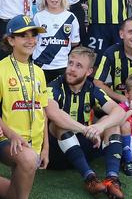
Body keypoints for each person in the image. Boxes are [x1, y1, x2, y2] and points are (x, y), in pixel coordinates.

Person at [44, 47, 126, 198]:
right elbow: (52, 113)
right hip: (57, 153)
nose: (71, 69)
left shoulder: (92, 88)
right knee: (58, 124)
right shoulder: (55, 86)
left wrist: (99, 126)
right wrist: (85, 129)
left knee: (112, 123)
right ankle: (90, 179)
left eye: (78, 66)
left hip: (85, 146)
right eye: (70, 63)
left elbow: (119, 111)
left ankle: (112, 179)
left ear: (89, 71)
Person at [0, 15, 49, 199]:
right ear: (11, 40)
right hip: (8, 140)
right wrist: (12, 135)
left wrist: (46, 148)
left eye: (34, 35)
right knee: (28, 160)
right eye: (24, 35)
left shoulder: (38, 72)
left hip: (35, 143)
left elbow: (42, 111)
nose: (31, 40)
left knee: (13, 193)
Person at [33, 0, 80, 82]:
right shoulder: (38, 17)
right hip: (40, 66)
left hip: (62, 67)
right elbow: (34, 41)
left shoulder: (71, 17)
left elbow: (74, 42)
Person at [94, 18, 132, 103]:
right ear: (121, 34)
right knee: (96, 100)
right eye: (131, 32)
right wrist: (119, 97)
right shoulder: (111, 52)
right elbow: (97, 82)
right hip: (119, 102)